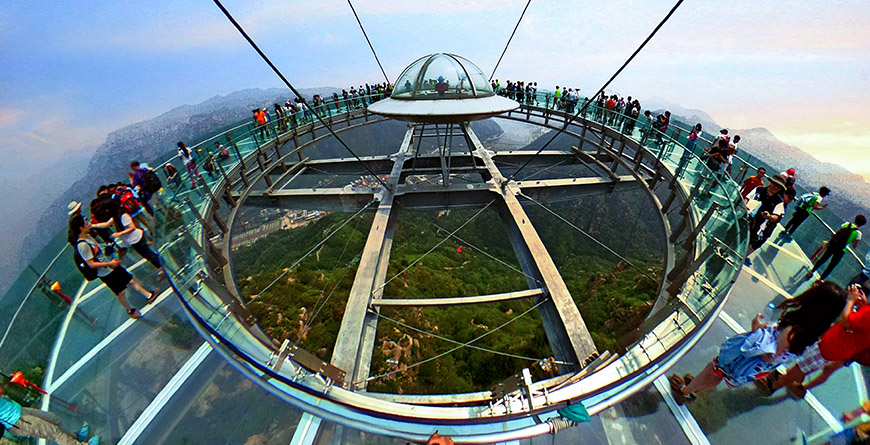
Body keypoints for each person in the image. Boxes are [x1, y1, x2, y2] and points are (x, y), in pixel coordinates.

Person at [670, 280, 847, 404]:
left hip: (745, 360)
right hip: (751, 368)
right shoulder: (811, 332)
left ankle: (685, 391)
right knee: (718, 374)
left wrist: (757, 331)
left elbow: (768, 355)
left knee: (713, 369)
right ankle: (695, 390)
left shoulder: (793, 330)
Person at [759, 284, 865, 399]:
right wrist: (862, 305)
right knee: (804, 364)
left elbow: (846, 321)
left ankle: (774, 385)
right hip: (834, 343)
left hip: (833, 345)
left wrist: (850, 301)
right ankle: (781, 379)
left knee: (802, 366)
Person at [69, 215, 157, 319]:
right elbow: (91, 264)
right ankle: (130, 310)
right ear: (81, 227)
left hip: (111, 266)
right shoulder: (83, 245)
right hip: (106, 273)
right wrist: (109, 264)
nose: (89, 224)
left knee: (130, 279)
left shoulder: (88, 237)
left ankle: (148, 295)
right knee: (121, 292)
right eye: (86, 223)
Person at [0, 384, 99, 445]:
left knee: (53, 419)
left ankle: (75, 437)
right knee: (54, 432)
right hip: (16, 421)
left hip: (19, 411)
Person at [94, 203, 164, 280]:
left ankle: (162, 268)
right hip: (133, 241)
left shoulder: (123, 216)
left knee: (148, 254)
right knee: (147, 254)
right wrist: (93, 226)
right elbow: (106, 224)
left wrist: (119, 233)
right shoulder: (116, 217)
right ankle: (161, 265)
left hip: (136, 239)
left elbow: (132, 227)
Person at [806, 215, 866, 280]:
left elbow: (837, 233)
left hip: (833, 244)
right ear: (862, 225)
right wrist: (852, 240)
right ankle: (820, 279)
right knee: (831, 266)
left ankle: (812, 271)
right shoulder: (858, 233)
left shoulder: (846, 224)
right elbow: (854, 246)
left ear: (855, 219)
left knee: (823, 259)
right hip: (841, 250)